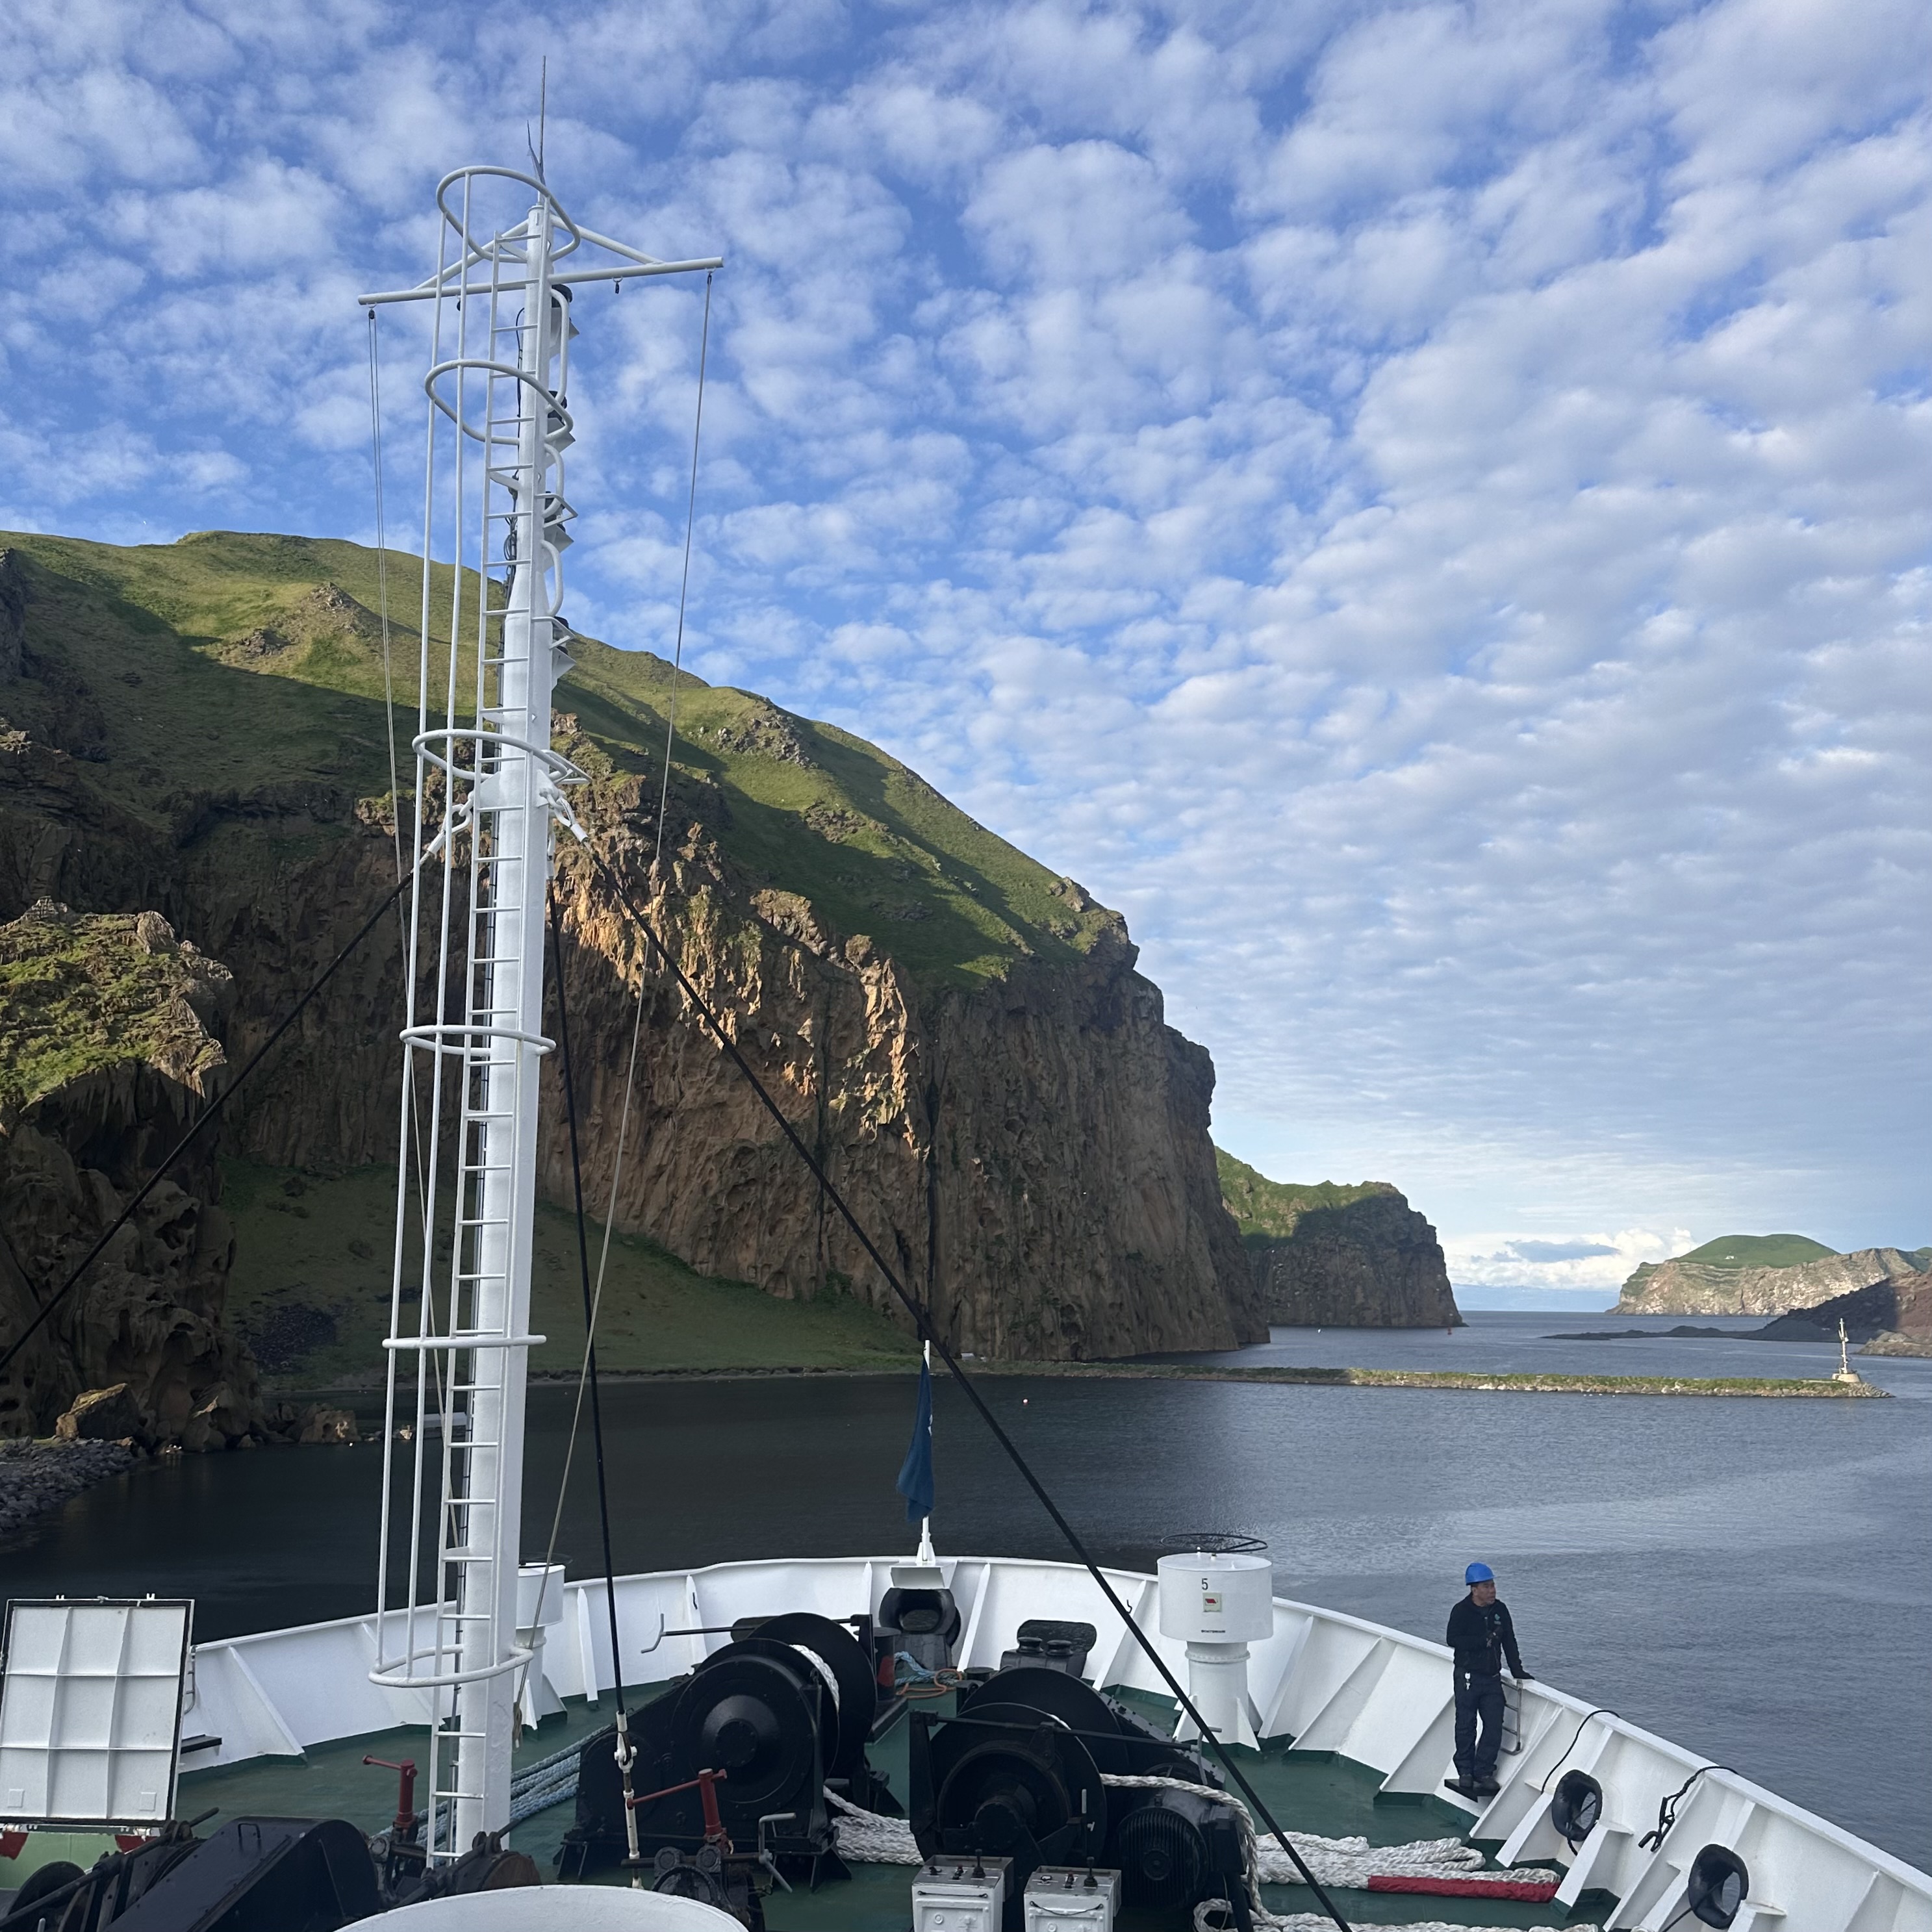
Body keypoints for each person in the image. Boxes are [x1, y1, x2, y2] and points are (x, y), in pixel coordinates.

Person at [1445, 1562, 1532, 1797]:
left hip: (1492, 1678)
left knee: (1494, 1724)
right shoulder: (1461, 1611)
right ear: (1474, 1589)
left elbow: (1509, 1641)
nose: (1492, 1590)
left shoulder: (1500, 1610)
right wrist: (1482, 1641)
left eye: (1493, 1585)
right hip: (1467, 1676)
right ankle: (1465, 1770)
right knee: (1466, 1724)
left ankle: (1483, 1771)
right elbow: (1453, 1639)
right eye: (1486, 1586)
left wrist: (1517, 1670)